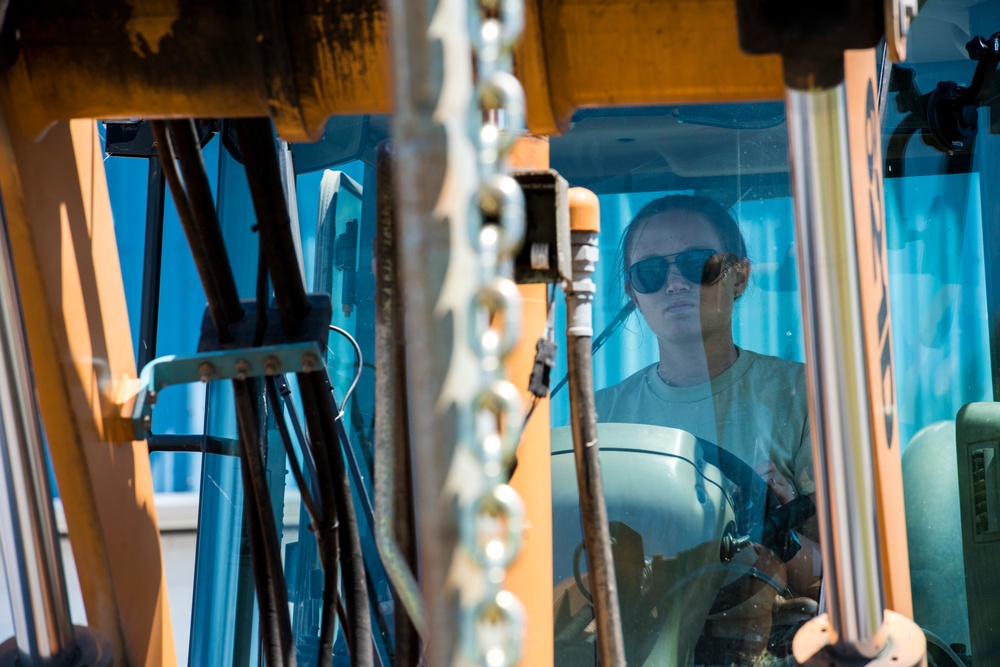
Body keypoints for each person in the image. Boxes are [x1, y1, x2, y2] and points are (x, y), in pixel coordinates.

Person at [593, 194, 821, 604]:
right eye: (650, 272)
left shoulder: (806, 395)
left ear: (739, 277)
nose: (675, 283)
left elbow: (840, 585)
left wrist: (779, 531)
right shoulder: (598, 419)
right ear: (633, 294)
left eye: (698, 263)